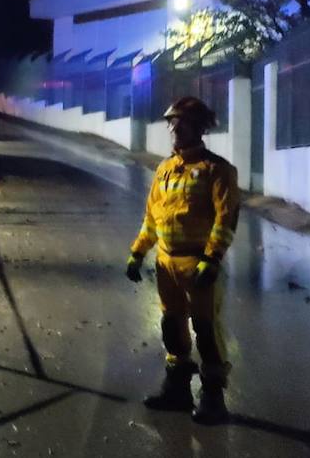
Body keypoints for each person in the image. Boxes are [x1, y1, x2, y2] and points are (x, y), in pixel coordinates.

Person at [126, 96, 239, 425]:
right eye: (171, 122)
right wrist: (137, 252)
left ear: (199, 128)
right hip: (166, 265)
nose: (174, 128)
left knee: (206, 330)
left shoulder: (217, 171)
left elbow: (225, 219)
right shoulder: (164, 170)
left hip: (199, 266)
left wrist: (212, 259)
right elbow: (152, 218)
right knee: (172, 327)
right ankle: (177, 391)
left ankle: (214, 397)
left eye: (182, 122)